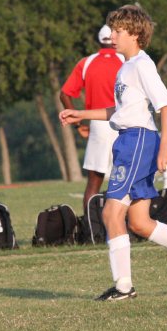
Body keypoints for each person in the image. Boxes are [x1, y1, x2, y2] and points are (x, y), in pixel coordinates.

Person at [59, 4, 167, 300]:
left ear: (135, 34)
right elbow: (119, 111)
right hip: (129, 140)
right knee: (139, 222)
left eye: (118, 31)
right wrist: (80, 113)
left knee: (111, 212)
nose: (112, 36)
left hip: (137, 142)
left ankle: (123, 287)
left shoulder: (142, 65)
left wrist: (164, 148)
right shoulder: (126, 66)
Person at [59, 24, 124, 213]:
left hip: (98, 125)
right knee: (124, 179)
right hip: (123, 122)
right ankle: (127, 224)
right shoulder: (126, 60)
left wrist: (78, 124)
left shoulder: (86, 63)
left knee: (93, 183)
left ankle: (90, 227)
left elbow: (64, 94)